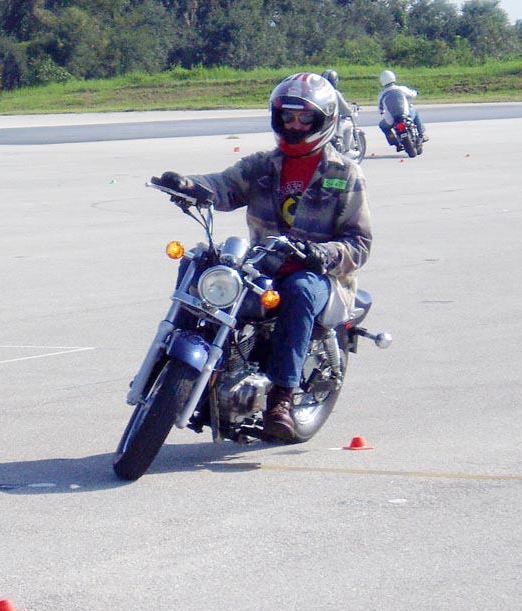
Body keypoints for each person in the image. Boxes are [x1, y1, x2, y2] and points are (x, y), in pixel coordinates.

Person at [151, 72, 372, 442]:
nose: (295, 125)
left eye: (305, 118)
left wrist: (320, 254)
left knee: (300, 289)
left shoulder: (345, 174)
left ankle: (281, 398)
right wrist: (189, 186)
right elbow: (223, 186)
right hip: (263, 265)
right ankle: (176, 362)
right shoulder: (263, 165)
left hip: (320, 275)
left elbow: (359, 242)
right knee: (199, 262)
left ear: (324, 121)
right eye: (288, 117)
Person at [376, 69, 427, 146]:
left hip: (391, 120)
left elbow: (380, 108)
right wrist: (416, 92)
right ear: (393, 78)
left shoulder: (381, 94)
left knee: (383, 126)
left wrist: (382, 111)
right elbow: (412, 94)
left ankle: (394, 141)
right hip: (405, 115)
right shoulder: (401, 88)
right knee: (415, 111)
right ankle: (422, 133)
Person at [322, 68, 358, 152]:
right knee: (349, 124)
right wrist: (352, 108)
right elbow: (346, 111)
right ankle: (346, 149)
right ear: (334, 81)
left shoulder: (319, 93)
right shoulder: (334, 93)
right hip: (332, 130)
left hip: (320, 129)